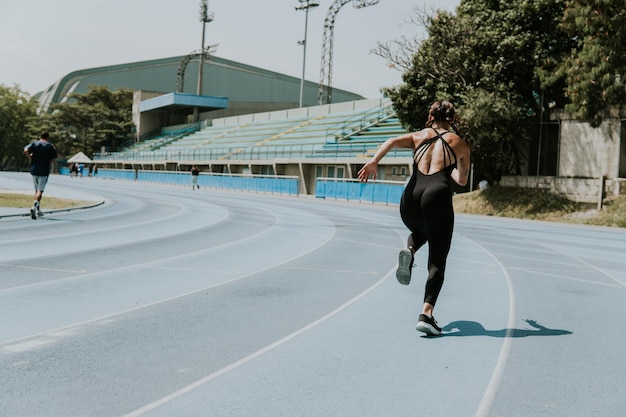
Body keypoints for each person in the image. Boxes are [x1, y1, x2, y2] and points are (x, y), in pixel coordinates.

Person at [357, 101, 471, 336]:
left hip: (410, 199)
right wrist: (450, 170)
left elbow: (390, 141)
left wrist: (374, 161)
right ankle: (426, 315)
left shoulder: (418, 136)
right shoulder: (459, 144)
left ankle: (410, 248)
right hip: (437, 196)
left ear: (430, 116)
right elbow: (461, 180)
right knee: (437, 261)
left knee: (421, 230)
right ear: (452, 118)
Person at [23, 131, 58, 219]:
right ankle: (34, 206)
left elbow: (26, 149)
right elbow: (53, 159)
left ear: (40, 136)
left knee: (36, 190)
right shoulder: (50, 146)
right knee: (40, 190)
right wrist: (53, 169)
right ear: (48, 137)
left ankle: (38, 209)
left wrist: (30, 157)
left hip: (34, 169)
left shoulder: (35, 144)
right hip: (44, 170)